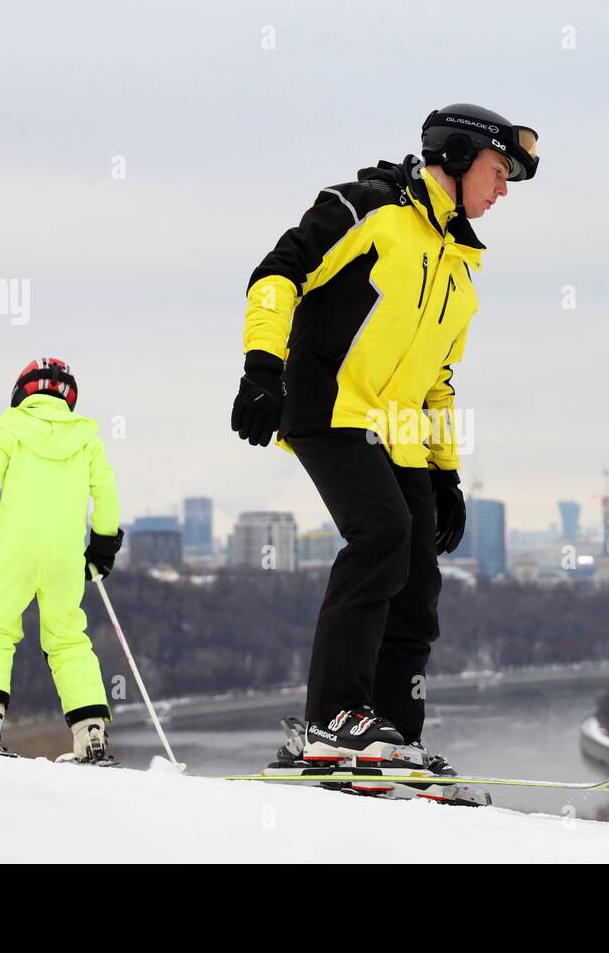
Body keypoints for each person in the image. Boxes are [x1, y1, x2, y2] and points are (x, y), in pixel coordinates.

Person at [231, 104, 539, 771]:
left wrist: (445, 473)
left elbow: (437, 383)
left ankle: (394, 734)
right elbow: (277, 274)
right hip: (328, 405)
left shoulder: (459, 267)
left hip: (397, 431)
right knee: (381, 535)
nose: (504, 189)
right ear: (455, 158)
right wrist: (262, 368)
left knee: (417, 581)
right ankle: (332, 721)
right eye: (497, 171)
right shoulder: (367, 208)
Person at [0, 357, 124, 762]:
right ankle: (91, 734)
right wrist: (102, 547)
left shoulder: (10, 427)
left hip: (15, 550)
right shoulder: (87, 437)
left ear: (23, 391)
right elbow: (107, 495)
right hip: (66, 556)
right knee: (68, 639)